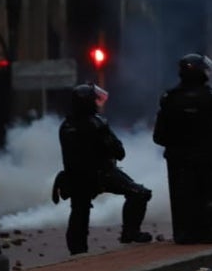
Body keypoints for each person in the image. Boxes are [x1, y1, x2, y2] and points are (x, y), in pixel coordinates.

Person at [53, 83, 153, 255]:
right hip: (102, 174)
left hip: (75, 177)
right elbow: (119, 152)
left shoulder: (66, 126)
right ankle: (130, 233)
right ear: (88, 103)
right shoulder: (97, 124)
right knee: (140, 193)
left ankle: (77, 251)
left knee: (79, 211)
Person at [152, 53, 212, 243]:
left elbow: (159, 135)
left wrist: (175, 147)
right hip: (209, 156)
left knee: (183, 195)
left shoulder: (170, 97)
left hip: (179, 159)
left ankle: (185, 234)